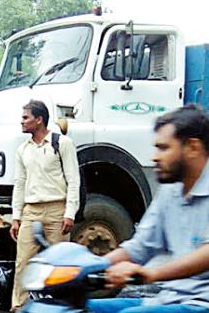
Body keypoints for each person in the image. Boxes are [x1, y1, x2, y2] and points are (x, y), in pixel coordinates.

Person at [88, 105, 209, 313]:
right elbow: (141, 246)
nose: (154, 157)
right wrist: (84, 267)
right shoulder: (170, 192)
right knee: (78, 308)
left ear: (193, 148)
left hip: (201, 304)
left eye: (164, 148)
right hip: (168, 299)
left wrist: (151, 274)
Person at [9, 99, 80, 311]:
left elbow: (73, 180)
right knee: (23, 262)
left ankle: (60, 307)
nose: (21, 122)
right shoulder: (23, 149)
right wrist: (16, 216)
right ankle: (19, 307)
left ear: (39, 120)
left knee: (58, 265)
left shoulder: (62, 143)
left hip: (58, 210)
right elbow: (19, 183)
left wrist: (70, 213)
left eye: (25, 117)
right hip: (31, 212)